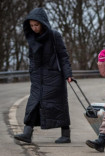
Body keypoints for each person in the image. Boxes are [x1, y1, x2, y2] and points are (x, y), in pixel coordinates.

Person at [14, 8, 73, 144]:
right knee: (33, 104)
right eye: (32, 25)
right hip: (37, 78)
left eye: (36, 25)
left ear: (43, 23)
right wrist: (32, 72)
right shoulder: (32, 38)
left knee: (59, 105)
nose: (34, 28)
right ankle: (27, 133)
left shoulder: (54, 36)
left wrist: (68, 74)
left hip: (54, 77)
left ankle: (66, 135)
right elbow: (32, 58)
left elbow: (63, 56)